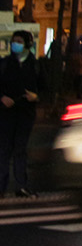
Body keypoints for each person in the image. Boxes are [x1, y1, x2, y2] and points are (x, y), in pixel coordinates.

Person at [0, 30, 41, 198]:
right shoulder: (4, 64)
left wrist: (35, 97)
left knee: (20, 149)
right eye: (13, 41)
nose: (14, 45)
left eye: (18, 42)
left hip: (25, 114)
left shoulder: (35, 65)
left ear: (27, 44)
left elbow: (44, 87)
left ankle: (21, 185)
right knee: (3, 150)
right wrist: (2, 98)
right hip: (5, 113)